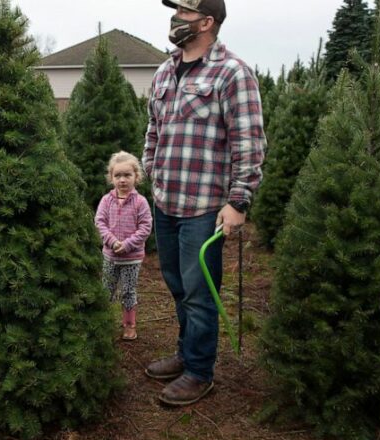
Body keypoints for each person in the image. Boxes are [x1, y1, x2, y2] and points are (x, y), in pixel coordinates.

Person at [142, 0, 265, 406]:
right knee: (177, 286)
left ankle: (198, 371)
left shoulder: (232, 73)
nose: (175, 19)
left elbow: (248, 143)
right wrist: (152, 172)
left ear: (207, 22)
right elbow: (153, 132)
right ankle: (185, 350)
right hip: (166, 202)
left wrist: (239, 201)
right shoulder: (164, 71)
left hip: (205, 207)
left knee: (199, 292)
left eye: (184, 13)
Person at [95, 152, 153, 341]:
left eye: (127, 175)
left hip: (131, 258)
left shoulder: (140, 202)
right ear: (111, 177)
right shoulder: (106, 200)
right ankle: (103, 322)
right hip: (110, 257)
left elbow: (145, 227)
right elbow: (100, 222)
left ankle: (129, 325)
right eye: (117, 175)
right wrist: (112, 241)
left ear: (136, 177)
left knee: (128, 291)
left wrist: (127, 245)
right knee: (107, 289)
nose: (122, 180)